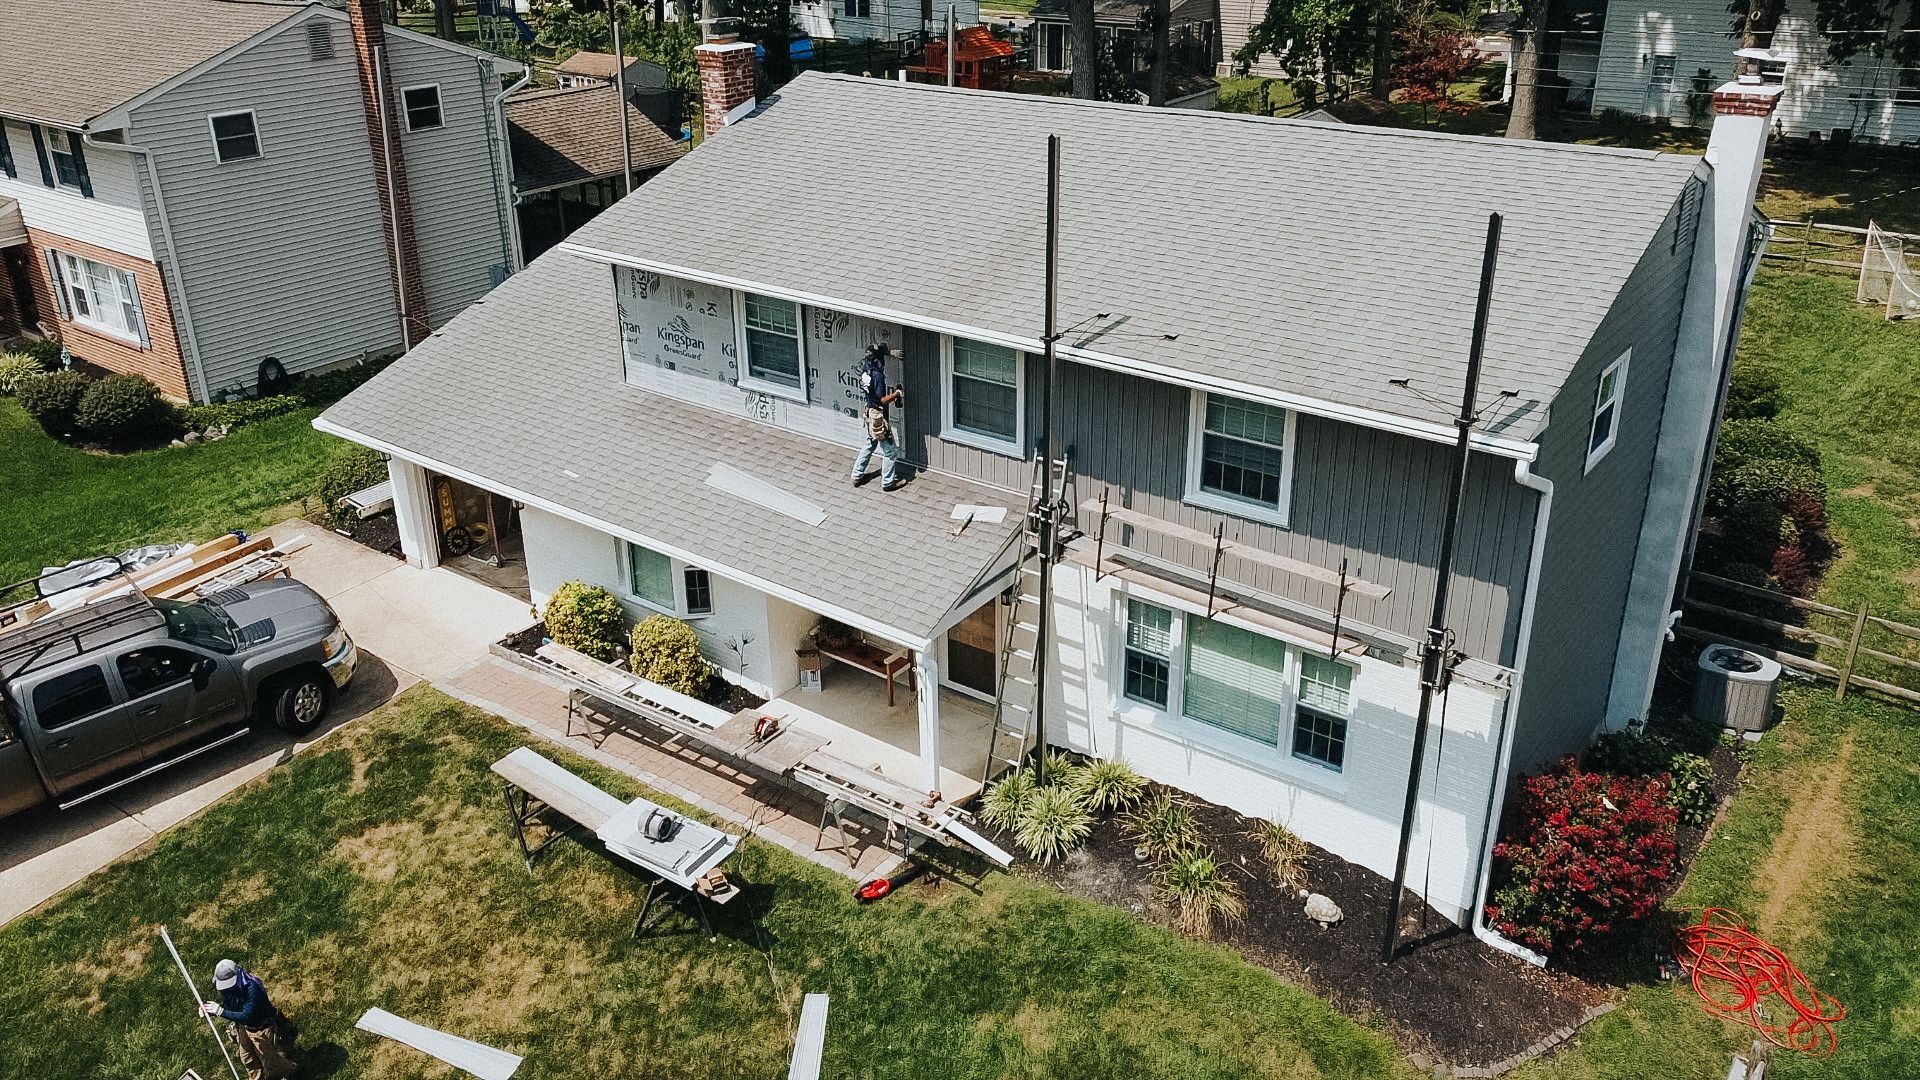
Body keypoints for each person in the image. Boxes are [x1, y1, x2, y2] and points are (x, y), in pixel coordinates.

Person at [202, 959, 296, 1080]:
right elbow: (232, 1007)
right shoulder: (228, 989)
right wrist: (210, 1011)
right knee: (247, 1057)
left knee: (270, 1062)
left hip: (261, 1027)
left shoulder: (252, 988)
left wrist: (220, 1011)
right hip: (244, 1026)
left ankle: (288, 1070)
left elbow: (247, 1015)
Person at [850, 343, 906, 492]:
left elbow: (877, 352)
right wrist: (896, 394)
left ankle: (856, 475)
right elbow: (882, 400)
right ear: (877, 360)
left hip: (869, 412)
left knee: (870, 443)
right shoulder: (877, 376)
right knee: (890, 451)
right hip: (878, 417)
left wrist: (889, 352)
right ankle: (888, 482)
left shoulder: (866, 369)